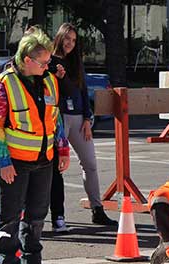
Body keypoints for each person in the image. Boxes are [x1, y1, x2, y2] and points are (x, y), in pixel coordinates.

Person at [0, 27, 70, 264]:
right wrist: (4, 162)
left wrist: (63, 149)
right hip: (13, 161)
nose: (48, 66)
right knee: (8, 217)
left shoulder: (49, 81)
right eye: (43, 62)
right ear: (27, 61)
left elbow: (55, 118)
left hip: (43, 159)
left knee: (36, 215)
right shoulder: (3, 86)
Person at [47, 23, 116, 232]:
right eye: (67, 38)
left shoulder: (76, 61)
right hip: (58, 117)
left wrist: (87, 118)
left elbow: (82, 90)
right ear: (59, 38)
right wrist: (60, 76)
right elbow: (61, 90)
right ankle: (58, 216)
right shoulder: (50, 61)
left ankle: (97, 208)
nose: (70, 43)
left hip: (78, 117)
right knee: (55, 169)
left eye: (74, 40)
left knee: (90, 163)